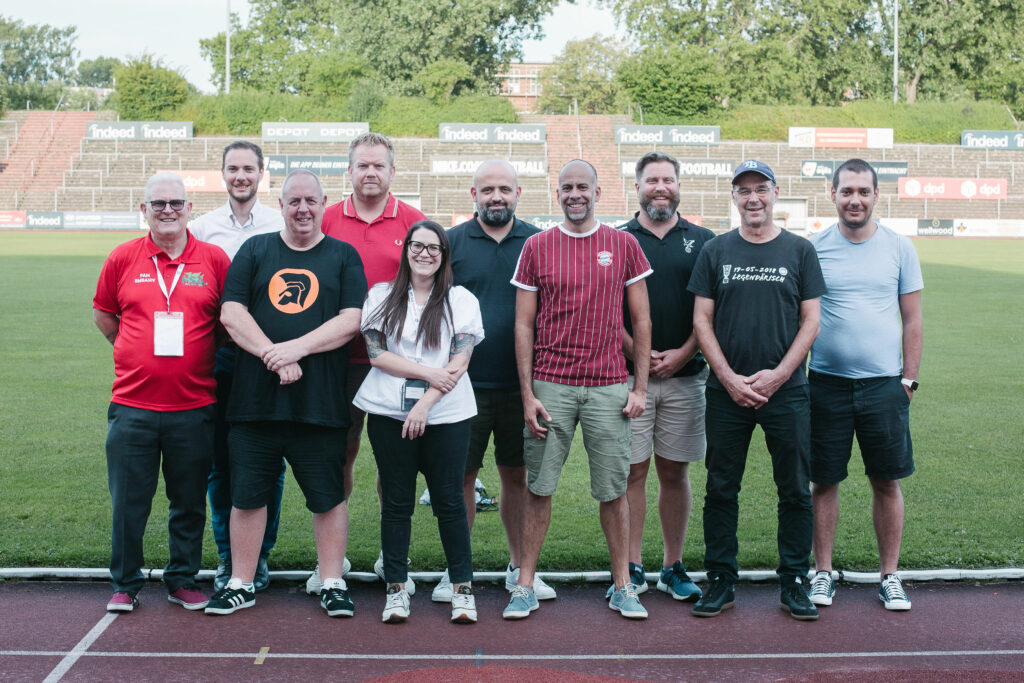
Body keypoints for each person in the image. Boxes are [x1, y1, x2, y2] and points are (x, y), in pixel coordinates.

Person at [205, 170, 367, 618]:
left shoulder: (342, 256)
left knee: (328, 497)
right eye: (294, 200)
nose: (302, 209)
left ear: (323, 203)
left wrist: (296, 348)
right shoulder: (255, 250)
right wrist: (272, 355)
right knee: (247, 495)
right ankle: (241, 582)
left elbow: (352, 318)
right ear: (281, 203)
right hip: (255, 405)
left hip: (319, 405)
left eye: (311, 201)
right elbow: (231, 312)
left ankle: (332, 581)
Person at [507, 159, 653, 621]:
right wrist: (528, 393)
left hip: (610, 387)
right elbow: (523, 324)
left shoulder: (623, 244)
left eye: (583, 187)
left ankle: (623, 586)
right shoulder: (536, 246)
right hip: (552, 386)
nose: (575, 194)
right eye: (567, 187)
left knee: (614, 490)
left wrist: (640, 386)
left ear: (598, 191)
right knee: (539, 487)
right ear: (557, 193)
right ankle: (525, 585)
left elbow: (641, 321)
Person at [687, 160, 827, 621]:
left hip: (786, 391)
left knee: (794, 489)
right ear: (734, 197)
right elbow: (701, 321)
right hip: (727, 391)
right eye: (744, 190)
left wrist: (779, 375)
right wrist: (727, 377)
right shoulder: (716, 250)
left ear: (775, 193)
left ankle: (794, 581)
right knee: (722, 487)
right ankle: (721, 580)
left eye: (761, 189)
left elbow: (811, 321)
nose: (753, 198)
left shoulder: (800, 250)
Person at [93, 172, 231, 613]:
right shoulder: (122, 258)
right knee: (129, 505)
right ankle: (125, 583)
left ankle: (182, 579)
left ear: (190, 208)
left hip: (194, 407)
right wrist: (135, 352)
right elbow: (104, 317)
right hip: (132, 407)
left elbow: (229, 324)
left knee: (188, 502)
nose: (167, 210)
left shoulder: (213, 259)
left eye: (176, 202)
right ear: (144, 210)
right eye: (158, 204)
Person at [307, 131, 427, 595]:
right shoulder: (328, 218)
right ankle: (331, 561)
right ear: (350, 170)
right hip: (337, 362)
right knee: (339, 455)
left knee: (395, 462)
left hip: (397, 363)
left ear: (392, 171)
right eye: (362, 165)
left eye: (379, 165)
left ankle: (391, 556)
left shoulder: (415, 221)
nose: (371, 173)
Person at [806, 159, 923, 612]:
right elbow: (804, 317)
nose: (855, 199)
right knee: (824, 481)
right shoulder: (814, 248)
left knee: (887, 481)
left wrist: (908, 381)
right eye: (846, 191)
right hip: (827, 385)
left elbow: (911, 318)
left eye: (863, 191)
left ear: (876, 196)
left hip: (884, 387)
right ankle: (823, 573)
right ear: (832, 194)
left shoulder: (898, 246)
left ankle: (889, 575)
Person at [441, 159, 557, 604]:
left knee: (517, 476)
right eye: (487, 189)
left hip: (522, 387)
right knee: (461, 478)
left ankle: (518, 567)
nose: (496, 197)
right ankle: (459, 572)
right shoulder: (451, 243)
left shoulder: (539, 242)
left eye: (504, 189)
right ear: (473, 194)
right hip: (462, 385)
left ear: (518, 193)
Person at [356, 220, 484, 623]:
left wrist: (426, 402)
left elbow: (459, 361)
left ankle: (462, 589)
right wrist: (429, 373)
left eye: (434, 248)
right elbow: (377, 355)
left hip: (446, 413)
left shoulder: (460, 299)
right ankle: (396, 588)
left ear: (444, 255)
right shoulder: (382, 294)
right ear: (406, 249)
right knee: (396, 502)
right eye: (417, 245)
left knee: (449, 499)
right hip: (387, 411)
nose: (425, 253)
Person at [614, 151, 716, 602]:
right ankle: (631, 566)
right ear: (637, 187)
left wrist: (684, 352)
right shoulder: (616, 239)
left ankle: (673, 565)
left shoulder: (705, 241)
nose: (660, 187)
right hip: (626, 379)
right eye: (651, 179)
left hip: (686, 376)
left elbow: (709, 312)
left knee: (674, 472)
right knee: (632, 473)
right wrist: (638, 353)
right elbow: (603, 310)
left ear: (679, 186)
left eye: (668, 179)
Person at [191, 140, 284, 593]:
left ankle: (259, 556)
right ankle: (229, 558)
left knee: (269, 461)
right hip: (222, 356)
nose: (241, 175)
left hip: (272, 356)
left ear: (261, 173)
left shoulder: (280, 224)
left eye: (249, 168)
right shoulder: (203, 228)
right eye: (233, 168)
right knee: (221, 463)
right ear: (223, 173)